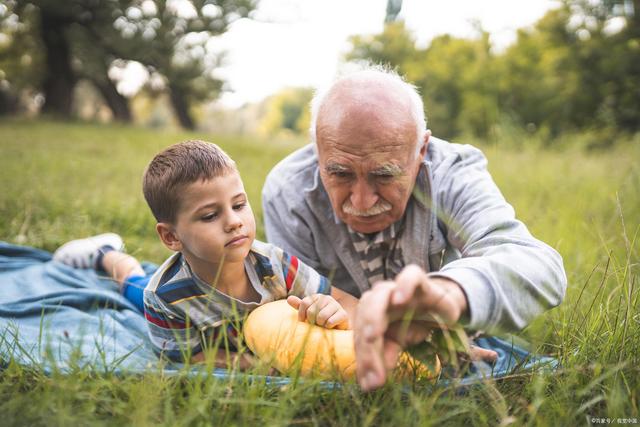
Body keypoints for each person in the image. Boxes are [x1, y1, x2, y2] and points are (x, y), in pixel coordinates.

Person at [261, 65, 567, 390]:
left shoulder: (452, 173)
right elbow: (300, 303)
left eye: (384, 175)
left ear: (421, 150)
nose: (362, 201)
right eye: (340, 174)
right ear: (317, 149)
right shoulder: (288, 193)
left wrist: (448, 293)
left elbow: (538, 266)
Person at [54, 140, 358, 367]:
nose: (234, 221)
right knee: (132, 284)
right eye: (210, 215)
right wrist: (254, 367)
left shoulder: (276, 264)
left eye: (238, 205)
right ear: (172, 236)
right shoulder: (165, 297)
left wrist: (330, 308)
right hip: (174, 289)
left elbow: (341, 299)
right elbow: (189, 356)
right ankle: (104, 254)